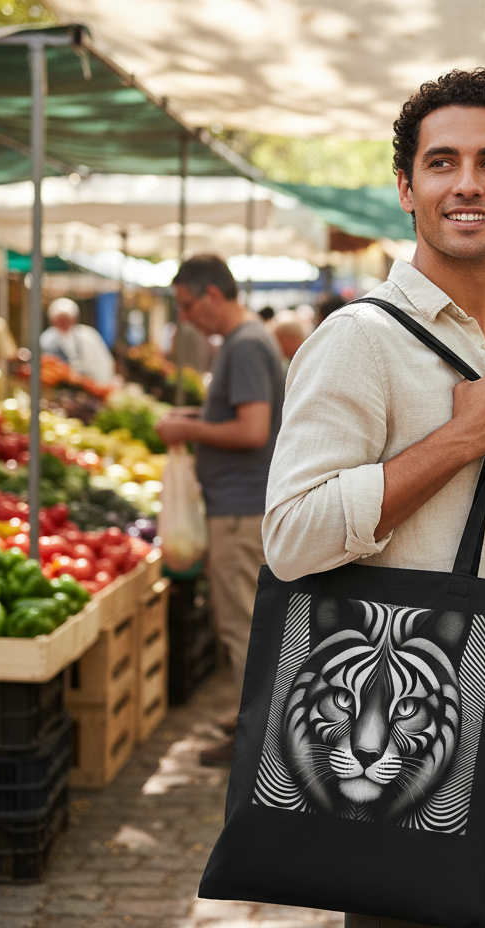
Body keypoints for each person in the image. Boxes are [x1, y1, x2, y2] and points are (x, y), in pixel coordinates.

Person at [263, 68, 485, 928]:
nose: (467, 184)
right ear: (405, 187)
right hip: (410, 738)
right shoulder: (358, 340)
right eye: (441, 163)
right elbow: (290, 536)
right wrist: (453, 441)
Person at [155, 255, 285, 768]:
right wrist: (198, 415)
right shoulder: (246, 339)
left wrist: (188, 429)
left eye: (187, 305)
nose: (185, 318)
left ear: (212, 295)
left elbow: (252, 430)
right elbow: (243, 416)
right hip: (241, 506)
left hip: (240, 511)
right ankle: (250, 718)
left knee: (244, 628)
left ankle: (255, 742)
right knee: (246, 623)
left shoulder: (245, 344)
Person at [39, 298, 116, 384]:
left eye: (66, 318)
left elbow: (102, 362)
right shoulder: (46, 340)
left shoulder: (88, 335)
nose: (64, 322)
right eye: (60, 319)